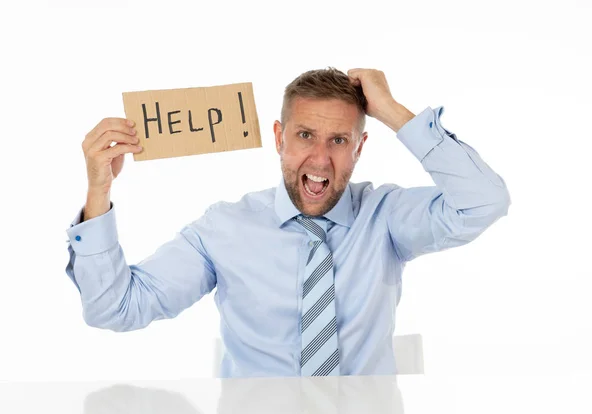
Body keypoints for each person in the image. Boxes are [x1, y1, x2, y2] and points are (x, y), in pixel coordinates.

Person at [65, 67, 511, 378]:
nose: (320, 159)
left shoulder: (387, 217)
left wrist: (393, 110)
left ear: (360, 148)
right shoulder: (224, 229)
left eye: (339, 140)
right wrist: (98, 191)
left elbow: (483, 202)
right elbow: (113, 309)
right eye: (304, 136)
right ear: (279, 138)